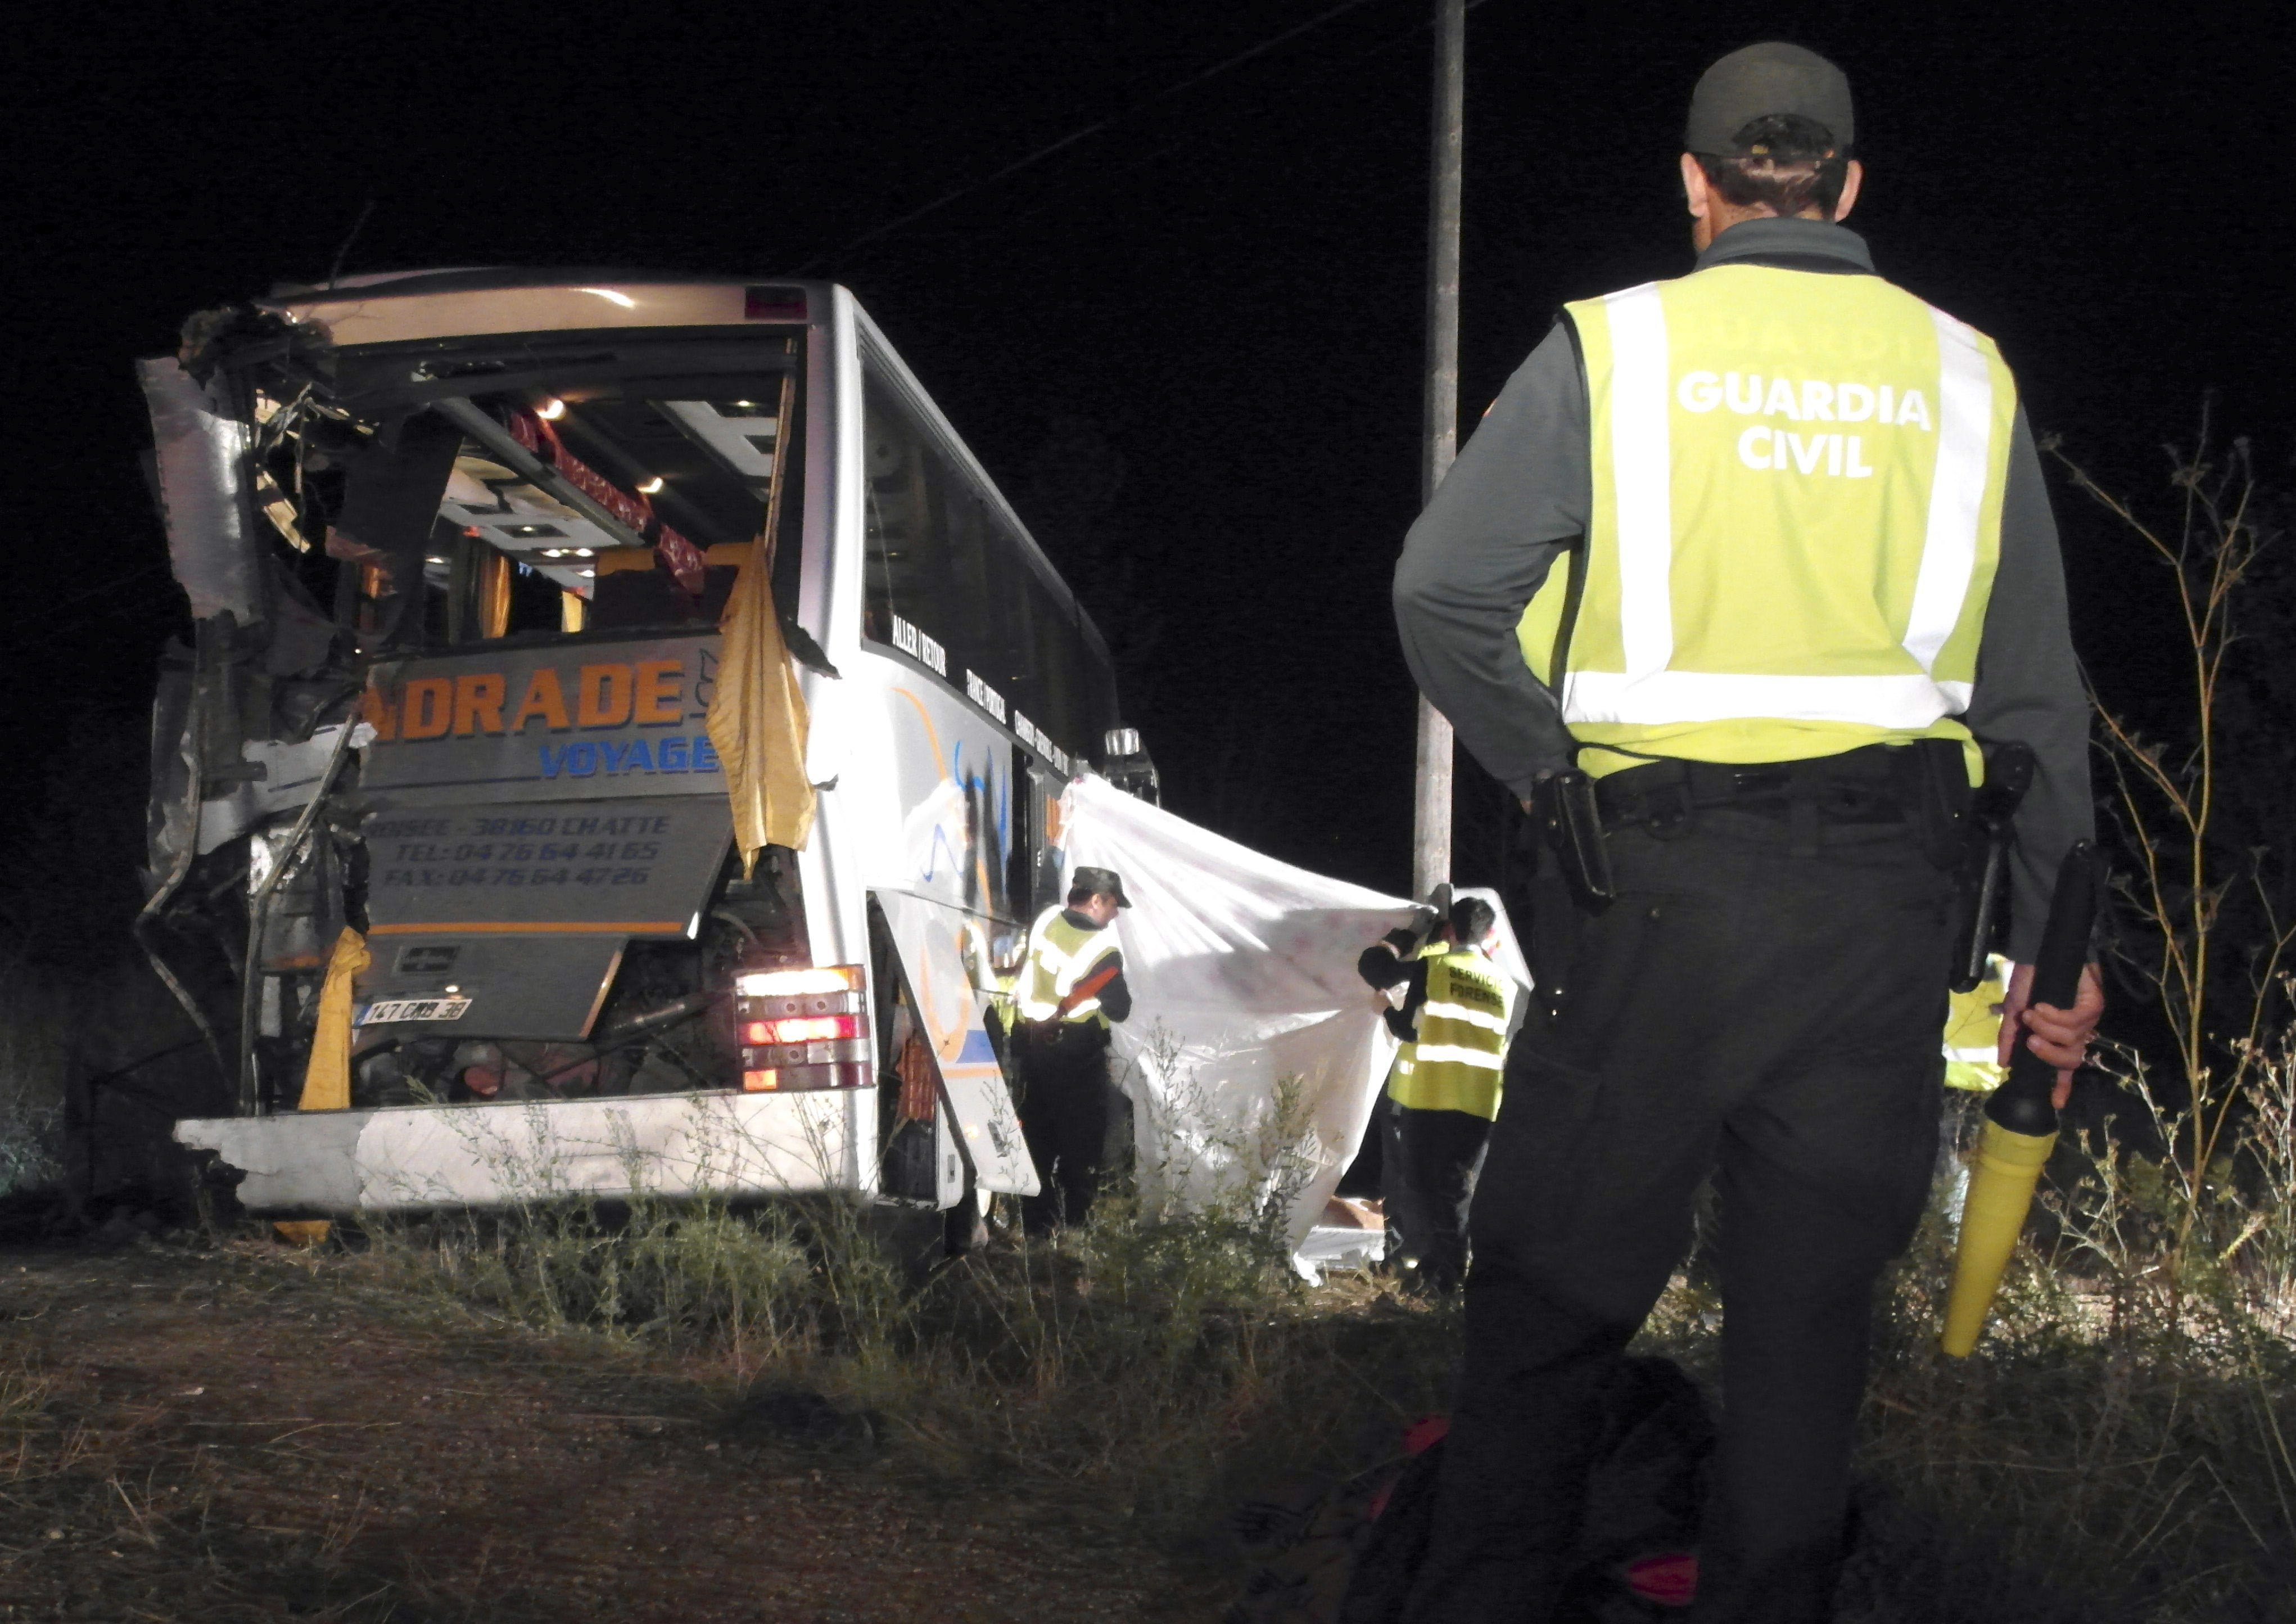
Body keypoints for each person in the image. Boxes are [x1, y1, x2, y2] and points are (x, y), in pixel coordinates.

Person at [1379, 43, 2108, 1621]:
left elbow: (1440, 592)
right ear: (1847, 187)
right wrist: (2058, 950)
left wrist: (1544, 772)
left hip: (1650, 895)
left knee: (1549, 1314)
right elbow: (2034, 700)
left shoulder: (1612, 349)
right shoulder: (1965, 376)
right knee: (1802, 1337)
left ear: (1694, 185)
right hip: (1880, 911)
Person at [1358, 895, 1517, 1293]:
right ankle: (1438, 1273)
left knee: (1423, 1187)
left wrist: (1385, 1006)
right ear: (1490, 934)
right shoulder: (1506, 983)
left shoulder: (1436, 967)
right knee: (1457, 1191)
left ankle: (1447, 1276)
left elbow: (1402, 1018)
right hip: (1481, 1101)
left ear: (1449, 930)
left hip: (1430, 1097)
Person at [1013, 866, 1135, 1230]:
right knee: (1082, 1145)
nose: (1116, 914)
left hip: (1032, 1047)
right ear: (1096, 900)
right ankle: (1072, 1226)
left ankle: (1035, 1227)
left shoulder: (1046, 920)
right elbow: (1121, 1009)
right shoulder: (1102, 950)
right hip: (1076, 1055)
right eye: (1113, 905)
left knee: (1037, 1138)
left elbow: (1045, 888)